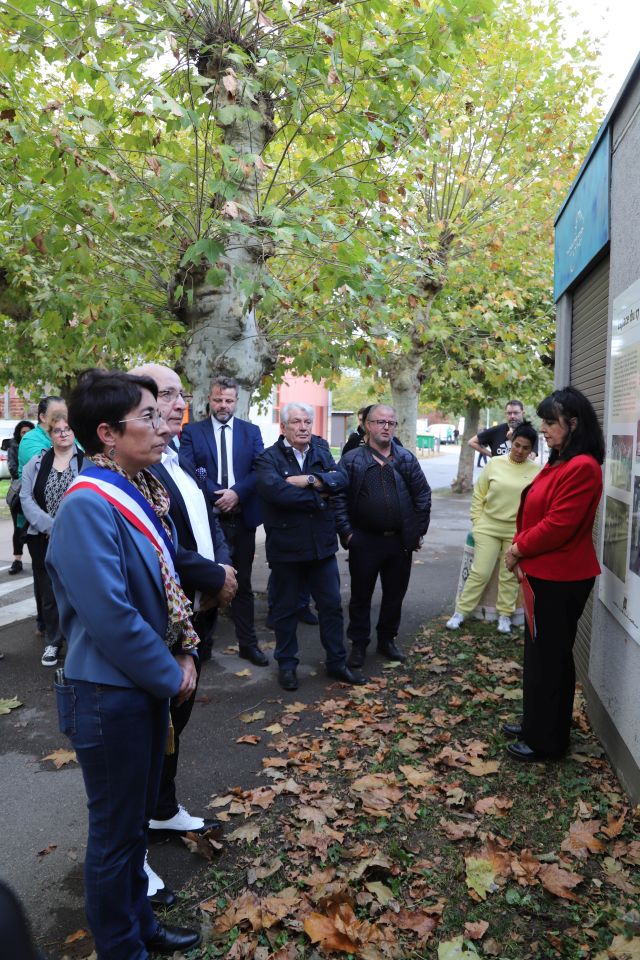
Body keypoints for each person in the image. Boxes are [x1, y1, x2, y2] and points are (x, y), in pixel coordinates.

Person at [46, 369, 201, 958]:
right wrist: (172, 674)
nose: (164, 425)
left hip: (136, 689)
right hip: (108, 695)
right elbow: (111, 616)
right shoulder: (89, 504)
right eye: (149, 416)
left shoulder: (140, 489)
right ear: (107, 434)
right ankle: (121, 947)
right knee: (114, 837)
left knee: (134, 827)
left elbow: (162, 591)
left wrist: (184, 647)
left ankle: (141, 928)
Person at [131, 364, 234, 905]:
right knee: (147, 740)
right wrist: (213, 575)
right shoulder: (131, 471)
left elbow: (209, 523)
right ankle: (132, 857)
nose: (175, 405)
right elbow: (160, 547)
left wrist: (226, 571)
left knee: (176, 725)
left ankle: (164, 809)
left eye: (177, 395)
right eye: (161, 397)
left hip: (197, 614)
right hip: (166, 623)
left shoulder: (177, 458)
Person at [503, 386, 604, 762]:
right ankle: (536, 723)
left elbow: (559, 524)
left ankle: (547, 741)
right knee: (541, 656)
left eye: (550, 422)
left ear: (573, 424)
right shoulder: (560, 460)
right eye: (543, 422)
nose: (542, 429)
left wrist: (517, 549)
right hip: (544, 574)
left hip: (561, 579)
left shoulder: (582, 467)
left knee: (551, 659)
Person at [255, 402, 366, 692]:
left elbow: (340, 479)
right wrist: (321, 496)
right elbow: (276, 493)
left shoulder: (320, 450)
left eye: (307, 422)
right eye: (296, 422)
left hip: (322, 547)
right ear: (283, 427)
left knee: (331, 607)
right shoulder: (267, 458)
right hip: (286, 548)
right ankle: (287, 666)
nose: (303, 427)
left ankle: (336, 663)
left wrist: (310, 479)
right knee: (285, 610)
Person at [334, 404, 432, 668]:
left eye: (391, 422)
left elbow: (423, 495)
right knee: (360, 596)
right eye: (380, 422)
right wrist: (347, 533)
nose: (386, 427)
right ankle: (359, 644)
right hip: (364, 540)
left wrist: (417, 531)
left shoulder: (406, 459)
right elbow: (338, 498)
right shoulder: (352, 459)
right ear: (368, 425)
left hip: (399, 542)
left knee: (394, 595)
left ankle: (387, 640)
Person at [180, 376, 268, 666]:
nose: (223, 405)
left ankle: (248, 644)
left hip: (242, 519)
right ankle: (201, 647)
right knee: (209, 581)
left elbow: (258, 469)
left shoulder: (250, 432)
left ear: (236, 401)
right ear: (210, 398)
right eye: (218, 399)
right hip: (209, 519)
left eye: (229, 400)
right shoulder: (193, 431)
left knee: (242, 584)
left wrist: (237, 493)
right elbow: (194, 469)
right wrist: (216, 492)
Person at [446, 422, 539, 635]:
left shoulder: (537, 471)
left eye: (526, 448)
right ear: (511, 442)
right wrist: (477, 522)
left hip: (516, 531)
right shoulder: (495, 463)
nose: (520, 451)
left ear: (532, 449)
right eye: (516, 445)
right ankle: (461, 611)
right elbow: (479, 494)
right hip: (488, 526)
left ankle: (505, 615)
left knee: (508, 574)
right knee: (480, 571)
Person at [20, 413, 83, 667]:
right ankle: (54, 641)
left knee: (80, 587)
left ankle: (80, 640)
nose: (64, 434)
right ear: (50, 435)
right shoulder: (34, 464)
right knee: (49, 592)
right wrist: (52, 526)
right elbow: (26, 499)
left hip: (79, 536)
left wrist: (67, 527)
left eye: (68, 429)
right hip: (43, 537)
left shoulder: (88, 462)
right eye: (58, 430)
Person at [6, 420, 34, 575]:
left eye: (29, 432)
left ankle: (38, 560)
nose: (26, 435)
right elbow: (13, 469)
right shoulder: (14, 447)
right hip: (20, 495)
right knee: (19, 527)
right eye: (23, 432)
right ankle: (17, 560)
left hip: (35, 494)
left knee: (35, 529)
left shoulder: (36, 447)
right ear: (18, 434)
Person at [468, 400, 536, 462]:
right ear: (505, 414)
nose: (512, 416)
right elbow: (471, 442)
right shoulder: (496, 430)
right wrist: (492, 455)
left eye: (515, 413)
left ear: (522, 413)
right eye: (509, 413)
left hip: (519, 474)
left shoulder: (530, 433)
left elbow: (531, 459)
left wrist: (513, 439)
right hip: (498, 473)